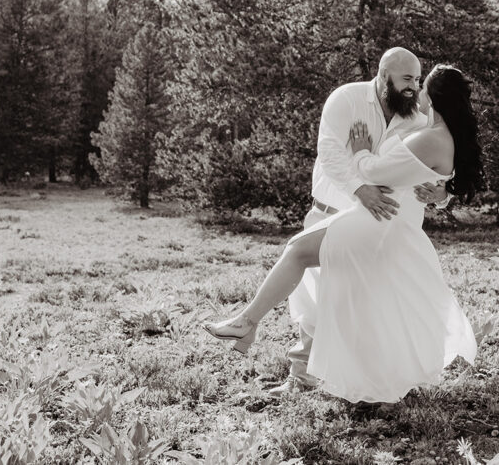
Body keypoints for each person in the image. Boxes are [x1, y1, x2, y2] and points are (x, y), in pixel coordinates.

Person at [204, 64, 483, 403]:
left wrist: (362, 148)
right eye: (409, 79)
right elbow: (435, 175)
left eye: (421, 83)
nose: (416, 88)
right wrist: (440, 191)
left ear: (433, 96)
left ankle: (248, 324)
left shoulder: (427, 131)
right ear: (384, 77)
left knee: (298, 254)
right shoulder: (407, 120)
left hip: (376, 221)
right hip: (372, 219)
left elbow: (374, 170)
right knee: (327, 281)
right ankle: (255, 330)